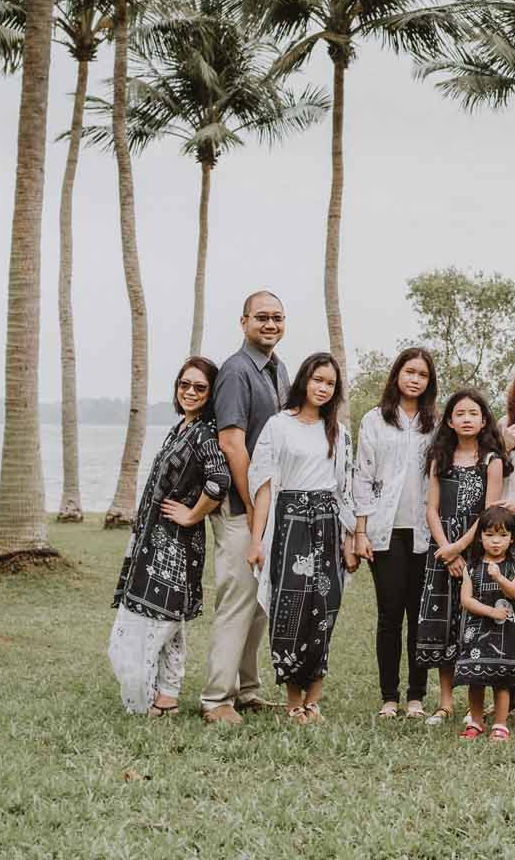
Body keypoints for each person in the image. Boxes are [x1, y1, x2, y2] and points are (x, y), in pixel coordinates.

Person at [107, 356, 232, 715]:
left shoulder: (205, 434)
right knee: (163, 624)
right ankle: (165, 698)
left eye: (199, 387)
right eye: (184, 385)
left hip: (175, 545)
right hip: (152, 539)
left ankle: (153, 698)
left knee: (158, 623)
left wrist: (193, 514)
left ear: (210, 394)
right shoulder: (180, 428)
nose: (190, 392)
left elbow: (219, 481)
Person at [246, 351, 354, 724]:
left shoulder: (339, 433)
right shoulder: (279, 425)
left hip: (328, 523)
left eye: (330, 383)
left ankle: (314, 700)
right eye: (317, 380)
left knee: (325, 612)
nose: (323, 388)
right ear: (304, 381)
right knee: (289, 611)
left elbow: (345, 490)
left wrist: (350, 537)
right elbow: (264, 486)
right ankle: (293, 703)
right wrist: (257, 539)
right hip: (290, 524)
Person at [201, 290, 292, 725]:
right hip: (241, 508)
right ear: (243, 322)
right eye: (261, 317)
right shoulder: (236, 372)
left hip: (269, 508)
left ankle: (247, 690)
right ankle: (216, 699)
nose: (270, 324)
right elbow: (232, 444)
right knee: (237, 599)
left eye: (277, 317)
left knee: (258, 603)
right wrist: (255, 507)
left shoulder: (279, 370)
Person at [349, 347, 439, 718]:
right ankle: (389, 697)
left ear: (429, 382)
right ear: (397, 376)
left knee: (420, 616)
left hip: (423, 533)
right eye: (409, 372)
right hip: (384, 532)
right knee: (389, 616)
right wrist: (360, 530)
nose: (415, 379)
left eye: (422, 374)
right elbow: (362, 475)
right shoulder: (374, 420)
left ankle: (416, 695)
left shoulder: (436, 422)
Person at [414, 390, 508, 724]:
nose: (466, 418)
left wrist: (461, 548)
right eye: (460, 413)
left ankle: (476, 704)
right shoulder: (440, 457)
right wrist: (445, 549)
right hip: (441, 553)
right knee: (444, 623)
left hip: (476, 549)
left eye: (473, 413)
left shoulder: (491, 460)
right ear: (450, 421)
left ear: (484, 420)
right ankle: (444, 702)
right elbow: (431, 508)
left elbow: (489, 513)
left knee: (474, 625)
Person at [455, 505, 515, 742]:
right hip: (477, 632)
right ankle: (476, 721)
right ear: (480, 537)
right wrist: (490, 612)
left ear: (511, 538)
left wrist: (499, 578)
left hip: (505, 634)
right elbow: (466, 599)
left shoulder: (514, 565)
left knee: (502, 680)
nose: (496, 541)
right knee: (475, 679)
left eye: (503, 535)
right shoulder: (472, 567)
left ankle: (500, 722)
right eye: (489, 535)